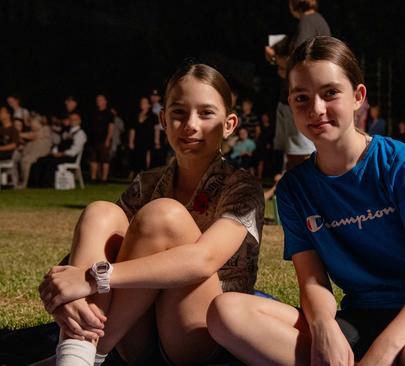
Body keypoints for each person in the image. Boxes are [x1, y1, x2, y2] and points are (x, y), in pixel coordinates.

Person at [208, 36, 405, 366]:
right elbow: (312, 281)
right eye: (302, 98)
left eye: (330, 93)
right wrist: (325, 327)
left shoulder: (401, 163)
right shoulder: (294, 190)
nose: (316, 109)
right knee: (225, 312)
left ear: (358, 97)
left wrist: (382, 353)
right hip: (361, 320)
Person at [36, 63, 264, 366]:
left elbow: (202, 260)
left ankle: (83, 354)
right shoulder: (148, 181)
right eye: (179, 113)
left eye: (206, 113)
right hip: (133, 333)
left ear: (229, 124)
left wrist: (93, 279)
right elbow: (100, 250)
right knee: (100, 212)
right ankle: (77, 353)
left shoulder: (243, 187)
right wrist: (69, 294)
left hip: (197, 332)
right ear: (163, 120)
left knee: (163, 215)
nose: (190, 125)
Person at [268, 0, 330, 171]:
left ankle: (300, 193)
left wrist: (274, 58)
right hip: (301, 97)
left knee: (299, 153)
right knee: (293, 151)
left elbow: (298, 62)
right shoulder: (318, 22)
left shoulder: (307, 22)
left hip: (300, 100)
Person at [27, 112, 86, 188]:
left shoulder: (80, 134)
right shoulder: (66, 132)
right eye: (71, 119)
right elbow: (59, 145)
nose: (72, 121)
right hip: (60, 155)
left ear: (79, 121)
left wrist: (62, 154)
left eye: (75, 119)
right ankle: (35, 185)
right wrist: (54, 152)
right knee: (40, 160)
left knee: (50, 163)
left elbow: (75, 150)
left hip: (69, 157)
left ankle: (47, 185)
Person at [13, 114, 53, 188]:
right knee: (17, 159)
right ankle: (16, 182)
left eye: (32, 122)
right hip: (32, 152)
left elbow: (33, 136)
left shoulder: (46, 129)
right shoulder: (33, 131)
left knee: (26, 161)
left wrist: (16, 133)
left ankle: (25, 183)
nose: (31, 125)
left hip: (40, 153)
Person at [87, 94, 114, 183]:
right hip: (93, 140)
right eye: (97, 99)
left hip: (103, 140)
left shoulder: (109, 114)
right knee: (93, 159)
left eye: (101, 100)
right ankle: (93, 178)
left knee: (104, 160)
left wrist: (108, 139)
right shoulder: (93, 112)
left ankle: (104, 178)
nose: (98, 101)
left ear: (105, 101)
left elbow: (111, 127)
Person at [128, 97, 157, 177]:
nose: (142, 104)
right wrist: (131, 141)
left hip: (148, 140)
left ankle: (147, 174)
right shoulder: (136, 116)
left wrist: (156, 140)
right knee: (137, 159)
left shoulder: (153, 116)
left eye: (144, 103)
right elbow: (132, 129)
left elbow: (156, 129)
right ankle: (136, 176)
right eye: (141, 102)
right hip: (138, 141)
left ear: (148, 105)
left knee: (148, 158)